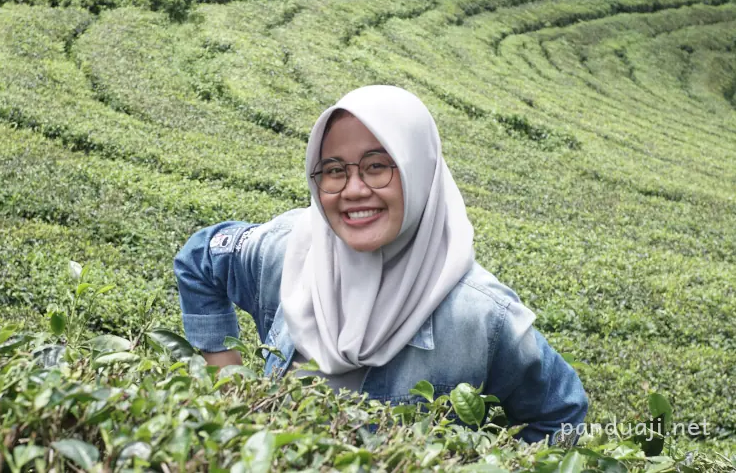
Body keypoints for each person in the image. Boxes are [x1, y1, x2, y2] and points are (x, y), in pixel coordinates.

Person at [174, 85, 588, 444]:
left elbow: (561, 413)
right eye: (334, 170)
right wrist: (228, 391)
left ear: (418, 170)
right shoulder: (291, 250)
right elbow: (201, 257)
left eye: (377, 166)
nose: (353, 190)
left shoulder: (482, 317)